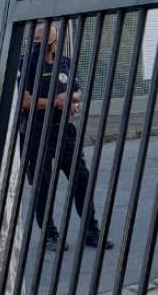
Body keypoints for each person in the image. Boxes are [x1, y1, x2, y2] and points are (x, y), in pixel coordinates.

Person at [18, 22, 112, 251]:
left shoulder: (65, 63)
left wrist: (69, 99)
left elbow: (78, 91)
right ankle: (50, 235)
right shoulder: (27, 63)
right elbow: (25, 101)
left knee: (81, 178)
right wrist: (56, 101)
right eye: (36, 40)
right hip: (36, 133)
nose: (37, 45)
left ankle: (91, 230)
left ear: (55, 43)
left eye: (43, 41)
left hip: (63, 130)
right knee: (43, 185)